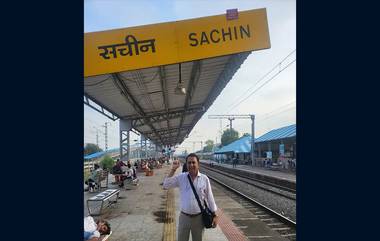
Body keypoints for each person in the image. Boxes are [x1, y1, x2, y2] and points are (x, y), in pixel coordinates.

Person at [163, 153, 219, 241]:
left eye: (193, 162)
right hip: (184, 217)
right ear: (186, 164)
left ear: (198, 164)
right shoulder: (181, 178)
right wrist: (173, 169)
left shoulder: (204, 179)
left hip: (199, 218)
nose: (191, 165)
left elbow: (210, 197)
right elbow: (166, 185)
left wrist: (215, 215)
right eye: (189, 163)